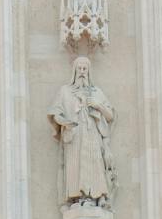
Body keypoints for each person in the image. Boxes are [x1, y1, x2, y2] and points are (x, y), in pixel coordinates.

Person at [48, 53, 115, 208]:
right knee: (74, 165)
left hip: (92, 135)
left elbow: (110, 116)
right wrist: (63, 121)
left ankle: (97, 197)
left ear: (89, 71)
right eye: (80, 68)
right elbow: (55, 113)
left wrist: (98, 105)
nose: (82, 71)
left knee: (94, 163)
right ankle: (76, 198)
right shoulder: (65, 91)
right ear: (75, 71)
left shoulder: (97, 92)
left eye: (85, 68)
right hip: (74, 136)